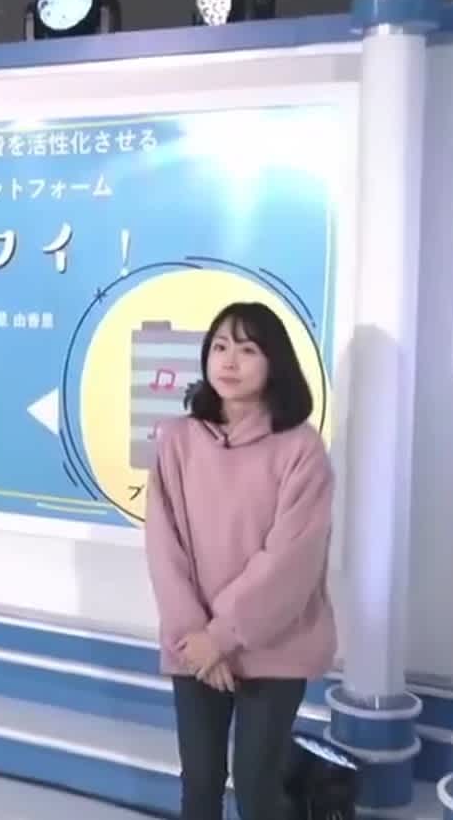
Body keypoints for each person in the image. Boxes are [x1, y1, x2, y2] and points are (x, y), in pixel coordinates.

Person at [142, 301, 337, 820]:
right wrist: (198, 639)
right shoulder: (177, 439)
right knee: (200, 784)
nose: (229, 361)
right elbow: (164, 547)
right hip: (194, 647)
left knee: (257, 787)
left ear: (275, 363)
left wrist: (222, 636)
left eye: (248, 350)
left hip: (274, 645)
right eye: (221, 347)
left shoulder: (302, 450)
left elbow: (291, 560)